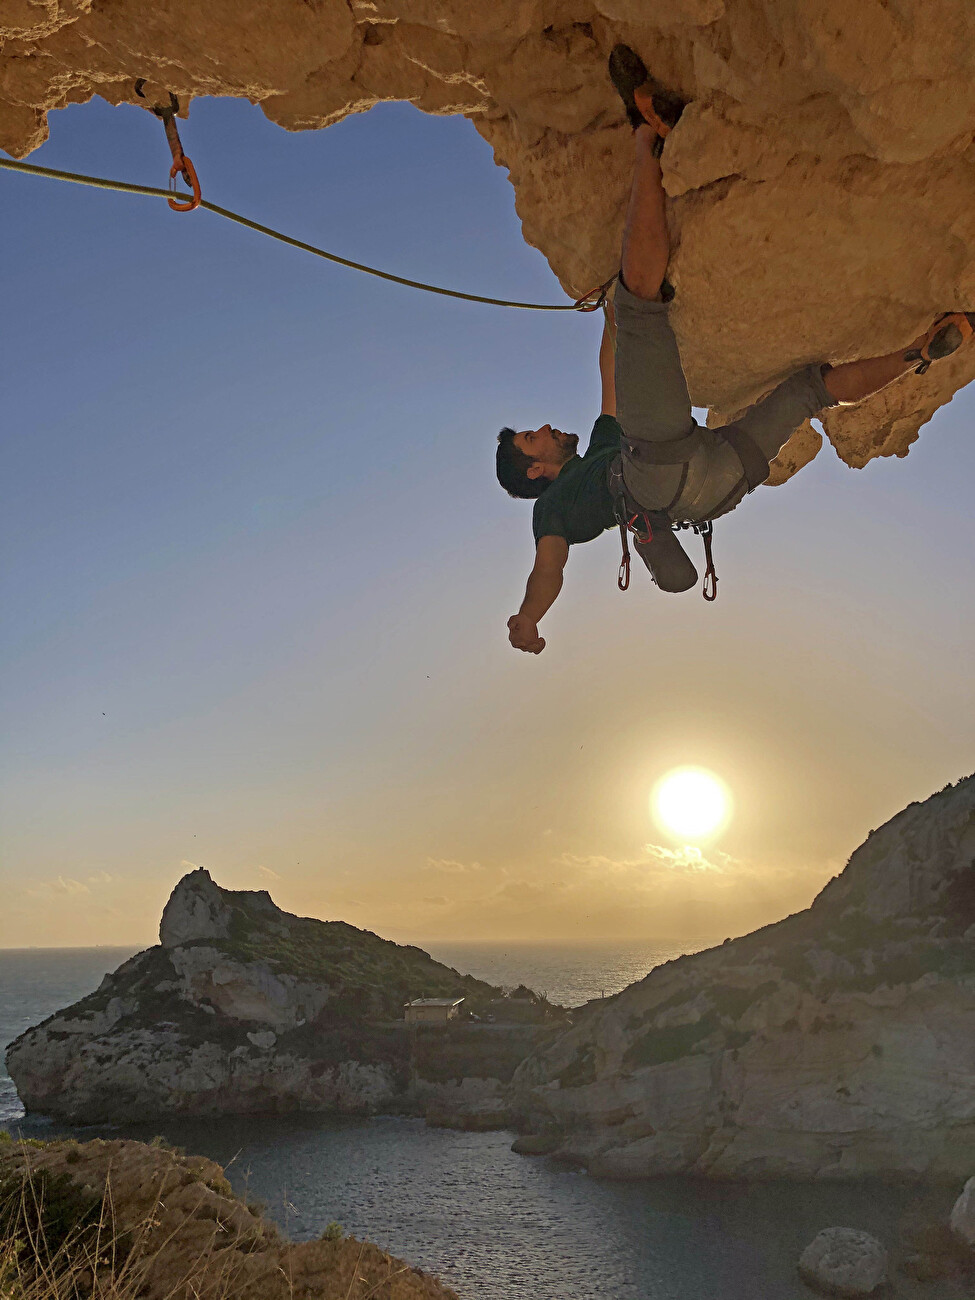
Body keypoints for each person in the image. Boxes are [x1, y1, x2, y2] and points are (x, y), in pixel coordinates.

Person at [496, 45, 974, 655]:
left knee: (810, 388)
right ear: (536, 471)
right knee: (646, 300)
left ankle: (919, 354)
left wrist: (610, 315)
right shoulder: (551, 513)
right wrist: (527, 617)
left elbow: (611, 375)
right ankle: (645, 135)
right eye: (530, 442)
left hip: (716, 490)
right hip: (659, 471)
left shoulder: (601, 448)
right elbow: (548, 571)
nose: (541, 430)